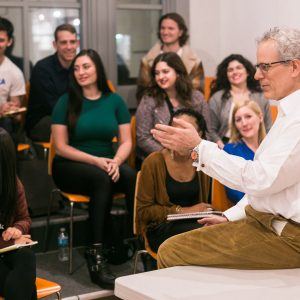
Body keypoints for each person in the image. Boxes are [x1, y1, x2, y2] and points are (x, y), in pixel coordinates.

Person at [151, 27, 300, 270]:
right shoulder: (286, 112)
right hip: (268, 222)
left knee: (172, 252)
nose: (256, 75)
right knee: (172, 246)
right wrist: (229, 216)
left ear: (294, 67)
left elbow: (261, 180)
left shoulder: (296, 118)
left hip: (289, 237)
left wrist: (198, 146)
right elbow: (268, 189)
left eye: (265, 66)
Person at [51, 49, 136, 289]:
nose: (81, 72)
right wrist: (97, 161)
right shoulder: (65, 101)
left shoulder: (114, 100)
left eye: (86, 67)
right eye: (76, 68)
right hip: (70, 166)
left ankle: (134, 241)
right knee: (102, 179)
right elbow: (61, 146)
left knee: (131, 177)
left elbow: (126, 141)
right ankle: (96, 254)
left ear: (97, 68)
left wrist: (117, 161)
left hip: (108, 163)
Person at [137, 108, 211, 253]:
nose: (178, 136)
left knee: (219, 231)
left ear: (199, 135)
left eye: (184, 131)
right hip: (161, 228)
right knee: (205, 236)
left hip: (196, 224)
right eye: (174, 131)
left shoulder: (203, 161)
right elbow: (143, 212)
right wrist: (184, 211)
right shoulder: (153, 162)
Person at [136, 52, 211, 162]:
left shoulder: (196, 97)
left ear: (178, 73)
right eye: (157, 73)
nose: (160, 77)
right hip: (161, 158)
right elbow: (143, 137)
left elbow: (207, 133)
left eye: (165, 72)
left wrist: (193, 154)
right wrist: (168, 154)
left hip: (194, 157)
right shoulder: (149, 99)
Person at [26, 23, 79, 142]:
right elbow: (55, 107)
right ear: (55, 45)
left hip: (72, 116)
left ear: (77, 43)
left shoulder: (79, 66)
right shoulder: (42, 68)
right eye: (63, 42)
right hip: (43, 121)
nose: (69, 47)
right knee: (80, 127)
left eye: (72, 42)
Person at [0, 128, 36, 300]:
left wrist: (17, 229)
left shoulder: (12, 183)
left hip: (4, 250)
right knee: (27, 288)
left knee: (26, 256)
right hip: (2, 247)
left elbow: (24, 218)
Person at [136, 12, 205, 102]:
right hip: (156, 107)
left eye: (170, 28)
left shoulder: (195, 62)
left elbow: (197, 94)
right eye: (162, 28)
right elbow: (143, 93)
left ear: (180, 32)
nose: (165, 32)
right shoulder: (147, 60)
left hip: (187, 109)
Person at [209, 54, 272, 149]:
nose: (235, 72)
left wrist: (262, 149)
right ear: (226, 75)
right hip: (224, 147)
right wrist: (224, 150)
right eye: (230, 70)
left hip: (257, 148)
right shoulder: (217, 98)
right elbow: (210, 129)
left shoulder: (261, 97)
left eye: (238, 68)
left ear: (247, 72)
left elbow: (268, 127)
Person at [223, 100, 266, 204]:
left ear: (260, 117)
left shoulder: (271, 147)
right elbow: (234, 193)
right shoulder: (229, 150)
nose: (244, 123)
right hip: (248, 211)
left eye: (248, 116)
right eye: (238, 120)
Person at [0, 17, 26, 143]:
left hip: (2, 124)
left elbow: (17, 115)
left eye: (1, 40)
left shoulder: (15, 73)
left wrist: (10, 109)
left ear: (9, 42)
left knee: (7, 124)